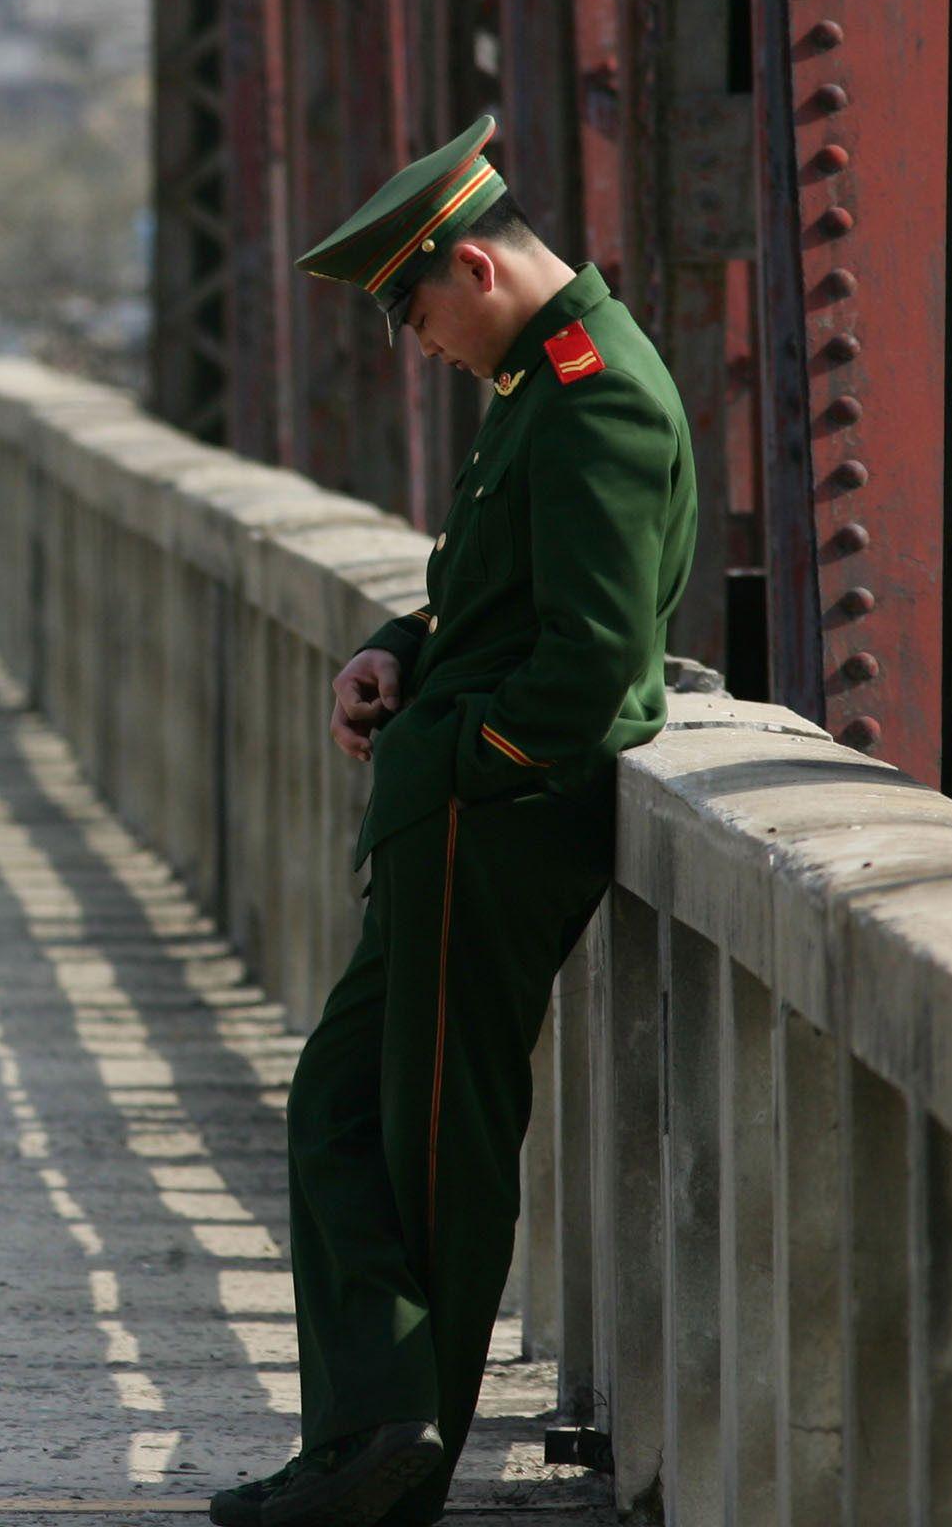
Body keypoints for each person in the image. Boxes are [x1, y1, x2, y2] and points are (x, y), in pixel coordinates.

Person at [209, 117, 696, 1527]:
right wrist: (398, 654)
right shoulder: (547, 383)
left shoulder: (597, 398)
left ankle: (391, 1455)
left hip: (495, 829)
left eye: (415, 313)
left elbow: (591, 664)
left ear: (474, 266)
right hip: (459, 817)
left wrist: (449, 760)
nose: (419, 345)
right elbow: (497, 597)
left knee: (436, 1141)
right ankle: (368, 1434)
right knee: (342, 1110)